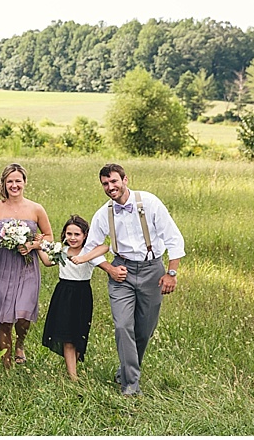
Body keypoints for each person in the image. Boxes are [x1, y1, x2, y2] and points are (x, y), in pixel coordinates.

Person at [80, 163, 185, 396]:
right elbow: (90, 248)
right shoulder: (104, 213)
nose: (110, 187)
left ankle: (126, 369)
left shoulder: (149, 203)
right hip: (122, 273)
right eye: (105, 184)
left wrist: (171, 272)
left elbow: (174, 238)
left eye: (114, 181)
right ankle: (130, 384)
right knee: (122, 325)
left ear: (125, 180)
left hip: (153, 271)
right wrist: (109, 268)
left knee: (144, 329)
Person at [0, 163, 53, 368]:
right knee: (5, 318)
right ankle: (6, 362)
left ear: (24, 183)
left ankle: (20, 342)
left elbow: (48, 236)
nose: (14, 185)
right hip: (3, 265)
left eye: (18, 181)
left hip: (27, 266)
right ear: (4, 183)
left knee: (22, 314)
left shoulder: (36, 208)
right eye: (10, 181)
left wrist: (31, 245)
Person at [37, 215, 109, 380]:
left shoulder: (87, 252)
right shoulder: (61, 251)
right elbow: (48, 262)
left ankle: (72, 366)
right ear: (64, 235)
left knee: (78, 333)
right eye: (69, 234)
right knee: (67, 336)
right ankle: (73, 376)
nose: (73, 238)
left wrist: (84, 258)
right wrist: (39, 246)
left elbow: (105, 247)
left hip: (82, 294)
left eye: (77, 234)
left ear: (85, 235)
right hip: (64, 293)